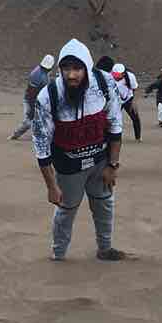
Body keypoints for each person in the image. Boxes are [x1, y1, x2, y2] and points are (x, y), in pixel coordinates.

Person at [32, 38, 127, 261]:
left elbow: (115, 125)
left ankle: (105, 248)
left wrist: (113, 165)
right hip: (68, 166)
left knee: (104, 204)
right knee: (66, 210)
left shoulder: (103, 84)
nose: (71, 75)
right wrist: (51, 186)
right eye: (66, 68)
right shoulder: (49, 96)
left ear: (87, 67)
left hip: (99, 161)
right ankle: (58, 255)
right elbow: (41, 145)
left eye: (77, 68)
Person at [8, 53, 55, 140]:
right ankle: (14, 136)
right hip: (31, 100)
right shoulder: (37, 75)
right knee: (28, 121)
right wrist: (32, 109)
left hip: (38, 100)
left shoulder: (41, 71)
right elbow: (31, 94)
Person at [111, 63, 141, 142]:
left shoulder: (130, 77)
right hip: (116, 100)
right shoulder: (109, 77)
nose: (115, 76)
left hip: (128, 99)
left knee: (135, 117)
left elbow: (135, 88)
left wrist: (134, 102)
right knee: (112, 118)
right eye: (114, 74)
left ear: (123, 74)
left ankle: (138, 137)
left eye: (118, 75)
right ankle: (112, 137)